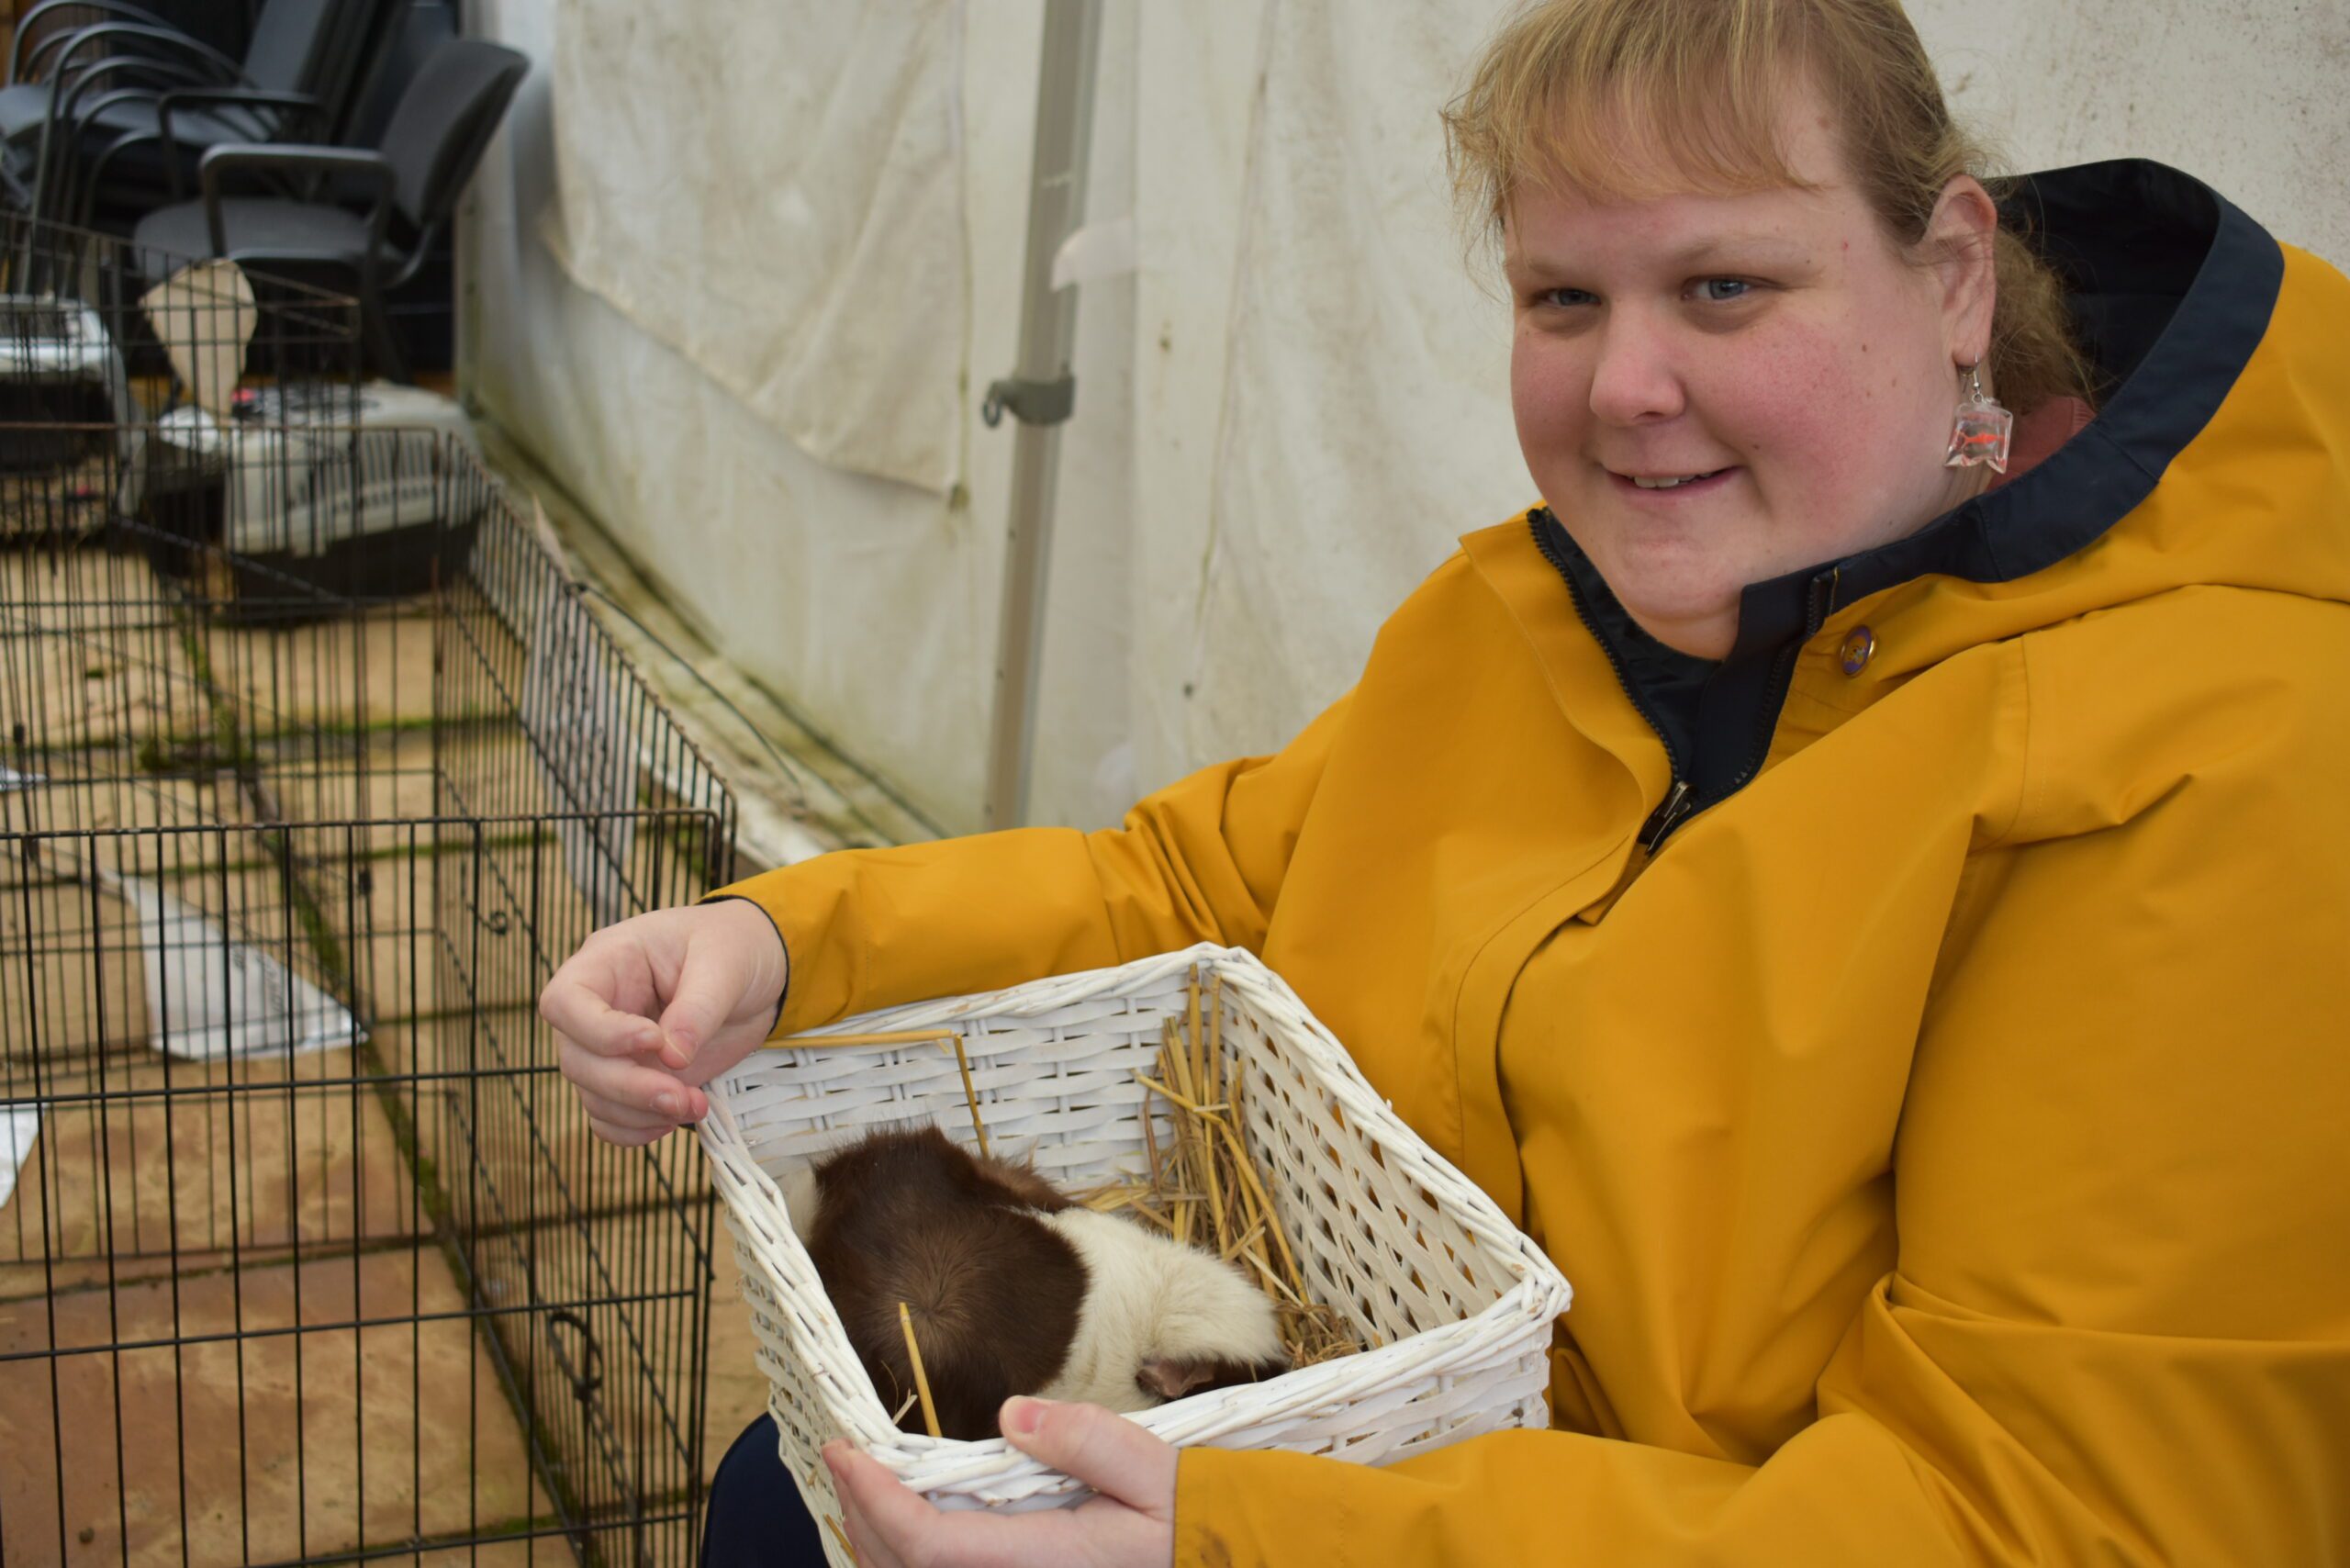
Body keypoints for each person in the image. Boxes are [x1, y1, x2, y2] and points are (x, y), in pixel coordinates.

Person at [539, 0, 2350, 1562]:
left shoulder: (2203, 760)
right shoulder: (1532, 611)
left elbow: (2031, 1516)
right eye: (1561, 293)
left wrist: (1262, 1532)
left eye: (1722, 285)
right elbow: (1198, 887)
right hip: (1330, 1441)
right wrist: (784, 943)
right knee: (795, 1493)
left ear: (1950, 275)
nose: (1624, 383)